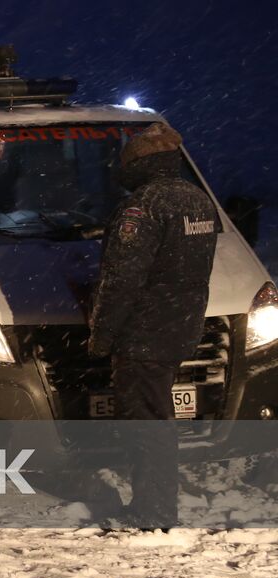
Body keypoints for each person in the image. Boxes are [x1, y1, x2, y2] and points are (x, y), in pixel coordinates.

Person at [88, 122, 217, 529]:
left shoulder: (143, 207)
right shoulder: (198, 201)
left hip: (143, 333)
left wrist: (102, 334)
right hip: (179, 327)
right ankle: (155, 507)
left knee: (146, 425)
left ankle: (153, 513)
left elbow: (120, 280)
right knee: (157, 420)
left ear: (141, 164)